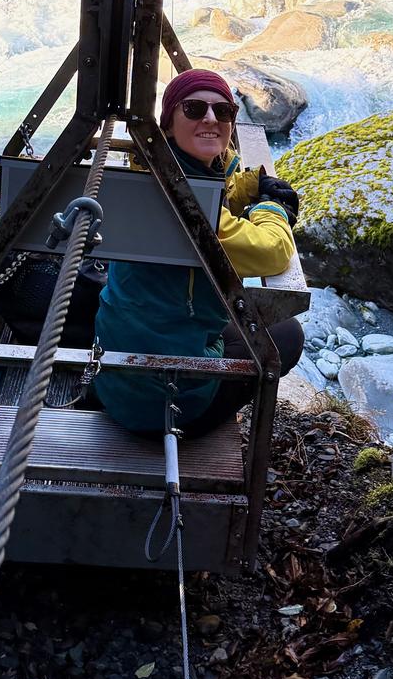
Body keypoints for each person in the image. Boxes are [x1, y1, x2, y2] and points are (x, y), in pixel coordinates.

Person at [92, 68, 304, 437]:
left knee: (227, 319)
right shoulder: (186, 206)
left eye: (223, 112)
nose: (211, 119)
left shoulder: (156, 172)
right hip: (165, 403)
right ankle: (194, 426)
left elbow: (216, 189)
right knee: (287, 336)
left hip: (119, 380)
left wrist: (249, 187)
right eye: (194, 109)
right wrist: (273, 210)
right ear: (168, 124)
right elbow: (272, 252)